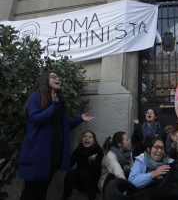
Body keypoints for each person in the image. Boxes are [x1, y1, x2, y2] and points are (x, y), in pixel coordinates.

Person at [18, 71, 94, 200]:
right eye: (53, 77)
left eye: (58, 77)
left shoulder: (58, 101)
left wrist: (79, 119)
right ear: (44, 80)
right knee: (31, 192)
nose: (57, 79)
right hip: (38, 156)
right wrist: (54, 106)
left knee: (42, 191)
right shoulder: (36, 97)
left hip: (53, 157)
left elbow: (64, 127)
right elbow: (36, 119)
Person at [62, 131, 103, 200]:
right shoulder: (79, 149)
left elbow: (98, 170)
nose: (87, 138)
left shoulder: (98, 150)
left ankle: (93, 196)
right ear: (82, 140)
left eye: (90, 137)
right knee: (71, 173)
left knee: (83, 172)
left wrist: (93, 160)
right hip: (79, 180)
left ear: (94, 141)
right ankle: (66, 196)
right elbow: (70, 163)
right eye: (85, 137)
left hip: (92, 180)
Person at [99, 131, 133, 197]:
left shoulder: (129, 153)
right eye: (127, 139)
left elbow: (133, 168)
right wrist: (131, 190)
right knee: (111, 176)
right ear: (119, 143)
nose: (130, 141)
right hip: (108, 184)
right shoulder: (110, 155)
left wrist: (129, 169)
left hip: (122, 181)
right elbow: (119, 173)